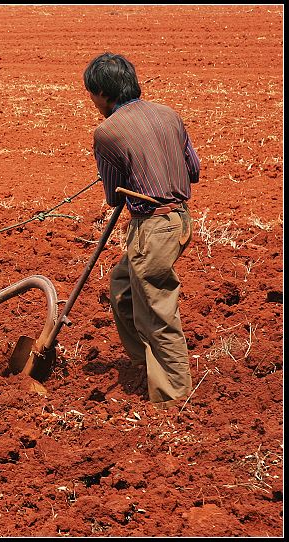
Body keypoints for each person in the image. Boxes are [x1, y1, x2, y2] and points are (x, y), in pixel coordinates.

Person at [83, 52, 200, 409]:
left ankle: (173, 398)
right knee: (122, 287)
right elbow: (193, 170)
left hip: (154, 227)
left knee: (156, 313)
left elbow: (111, 195)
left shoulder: (107, 132)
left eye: (92, 95)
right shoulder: (168, 115)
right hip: (179, 219)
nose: (92, 102)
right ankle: (144, 364)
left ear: (103, 92)